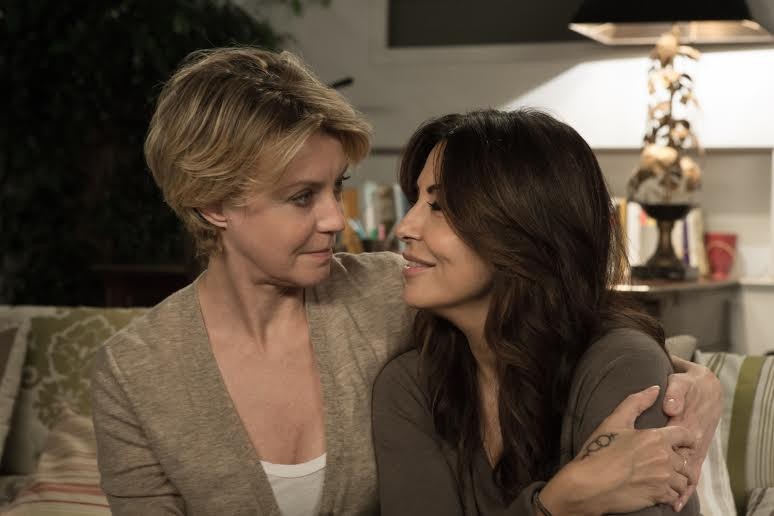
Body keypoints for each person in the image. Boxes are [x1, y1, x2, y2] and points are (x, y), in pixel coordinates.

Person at [91, 47, 720, 515]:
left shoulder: (388, 293)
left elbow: (553, 317)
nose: (337, 219)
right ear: (213, 204)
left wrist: (694, 382)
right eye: (302, 196)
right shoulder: (135, 373)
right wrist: (560, 501)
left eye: (337, 187)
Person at [373, 109, 711, 515]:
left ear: (525, 227)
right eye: (415, 201)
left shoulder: (621, 364)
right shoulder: (411, 385)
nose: (405, 227)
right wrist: (563, 500)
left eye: (440, 205)